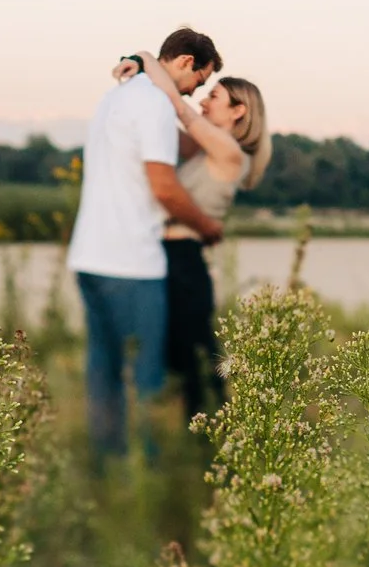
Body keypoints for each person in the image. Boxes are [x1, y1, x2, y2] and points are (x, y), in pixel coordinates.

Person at [66, 26, 225, 462]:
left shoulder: (115, 96)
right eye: (201, 80)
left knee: (104, 373)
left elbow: (187, 149)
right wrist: (206, 225)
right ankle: (143, 470)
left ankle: (107, 466)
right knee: (145, 377)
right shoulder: (154, 105)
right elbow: (165, 188)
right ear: (186, 62)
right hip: (131, 262)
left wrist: (142, 59)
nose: (196, 93)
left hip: (88, 257)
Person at [114, 56, 269, 421]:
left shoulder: (230, 153)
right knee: (183, 360)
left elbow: (177, 106)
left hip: (184, 261)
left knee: (197, 363)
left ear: (238, 111)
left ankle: (213, 443)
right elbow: (161, 122)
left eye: (212, 95)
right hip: (170, 257)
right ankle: (201, 441)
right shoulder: (204, 149)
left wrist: (144, 59)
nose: (202, 101)